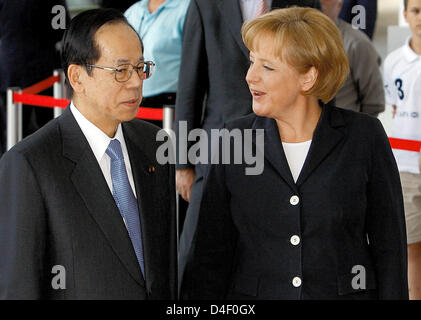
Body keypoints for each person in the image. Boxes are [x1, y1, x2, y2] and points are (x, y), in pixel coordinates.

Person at [182, 7, 408, 299]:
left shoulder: (365, 137)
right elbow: (210, 257)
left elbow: (389, 249)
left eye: (267, 67)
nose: (250, 77)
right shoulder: (231, 141)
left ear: (308, 77)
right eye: (252, 62)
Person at [0, 8, 177, 299]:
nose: (135, 82)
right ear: (78, 77)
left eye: (140, 67)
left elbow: (164, 267)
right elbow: (19, 287)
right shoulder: (30, 164)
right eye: (120, 70)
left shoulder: (155, 144)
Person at [176, 0, 322, 292]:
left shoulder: (304, 2)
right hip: (219, 147)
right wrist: (183, 161)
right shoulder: (205, 4)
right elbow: (190, 83)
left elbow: (315, 70)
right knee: (196, 251)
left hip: (285, 146)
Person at [384, 0, 421, 300]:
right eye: (417, 11)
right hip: (406, 167)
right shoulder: (394, 61)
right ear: (406, 14)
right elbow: (394, 107)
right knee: (410, 245)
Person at [0, 0, 69, 157]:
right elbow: (62, 29)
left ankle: (10, 175)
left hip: (11, 69)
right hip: (44, 68)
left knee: (12, 130)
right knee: (49, 129)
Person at [321, 0, 384, 117]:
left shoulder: (356, 43)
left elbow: (373, 104)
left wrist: (356, 130)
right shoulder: (289, 39)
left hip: (345, 127)